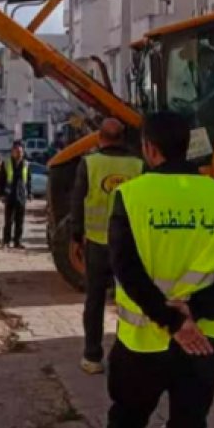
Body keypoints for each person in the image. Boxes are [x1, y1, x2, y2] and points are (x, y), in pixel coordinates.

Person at [105, 111, 214, 428]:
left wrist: (171, 321)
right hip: (203, 342)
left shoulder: (131, 196)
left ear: (149, 149)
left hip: (142, 343)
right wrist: (196, 312)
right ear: (188, 148)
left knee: (126, 427)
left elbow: (126, 270)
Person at [69, 118, 143, 375]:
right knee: (131, 301)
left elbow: (77, 203)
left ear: (100, 138)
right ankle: (129, 356)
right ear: (123, 138)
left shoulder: (89, 164)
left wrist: (76, 237)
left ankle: (92, 356)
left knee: (95, 301)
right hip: (130, 246)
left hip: (98, 244)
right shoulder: (138, 165)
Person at [0, 141, 31, 249]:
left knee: (20, 221)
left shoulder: (26, 164)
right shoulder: (6, 163)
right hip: (9, 196)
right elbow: (0, 180)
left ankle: (17, 242)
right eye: (17, 151)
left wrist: (29, 193)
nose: (19, 153)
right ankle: (6, 242)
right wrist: (1, 193)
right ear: (12, 152)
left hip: (21, 196)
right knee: (8, 221)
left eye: (21, 151)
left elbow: (28, 180)